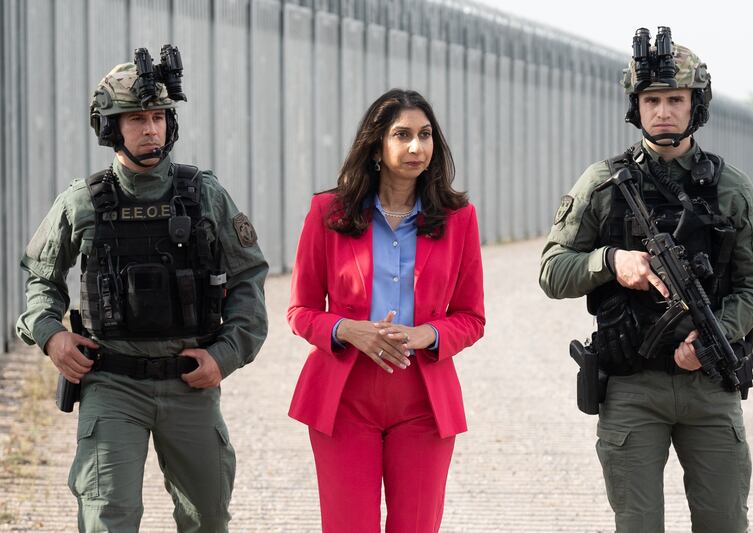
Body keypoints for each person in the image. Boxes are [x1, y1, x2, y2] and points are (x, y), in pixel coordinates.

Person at [16, 50, 268, 532]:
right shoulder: (81, 201)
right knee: (109, 516)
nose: (151, 129)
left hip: (190, 381)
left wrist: (228, 353)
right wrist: (52, 335)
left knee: (208, 517)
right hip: (112, 383)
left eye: (158, 117)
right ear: (110, 128)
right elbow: (41, 280)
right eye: (136, 118)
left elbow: (248, 277)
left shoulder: (204, 194)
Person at [539, 28, 753, 532]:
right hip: (631, 387)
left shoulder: (731, 187)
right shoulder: (603, 182)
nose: (663, 111)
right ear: (636, 106)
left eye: (675, 99)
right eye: (652, 100)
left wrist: (713, 338)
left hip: (710, 385)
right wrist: (610, 261)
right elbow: (551, 270)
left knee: (725, 522)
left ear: (696, 105)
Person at [287, 89, 485, 532]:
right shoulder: (328, 212)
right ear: (377, 145)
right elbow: (300, 310)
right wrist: (347, 329)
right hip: (343, 399)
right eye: (402, 135)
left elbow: (472, 317)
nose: (417, 147)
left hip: (423, 402)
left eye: (425, 135)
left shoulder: (459, 218)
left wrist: (426, 334)